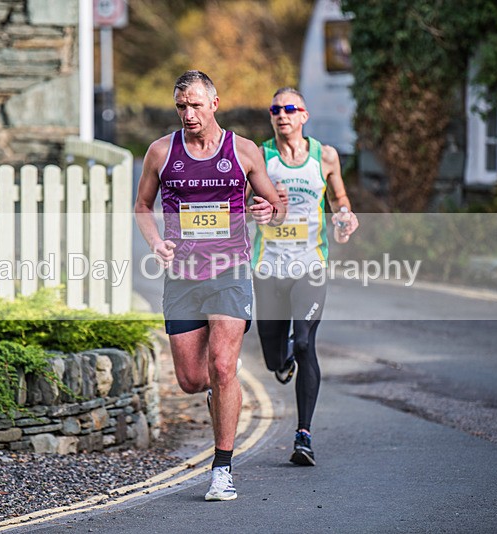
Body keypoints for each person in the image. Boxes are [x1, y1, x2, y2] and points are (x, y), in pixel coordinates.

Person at [134, 70, 285, 501]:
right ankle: (222, 388)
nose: (189, 113)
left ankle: (222, 469)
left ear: (214, 104)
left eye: (196, 105)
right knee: (192, 380)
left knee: (221, 365)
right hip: (181, 276)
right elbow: (142, 206)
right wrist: (156, 242)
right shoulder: (161, 152)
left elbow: (274, 206)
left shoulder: (244, 151)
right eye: (181, 106)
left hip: (229, 271)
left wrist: (264, 211)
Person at [250, 87, 359, 466]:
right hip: (268, 268)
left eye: (290, 108)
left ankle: (304, 435)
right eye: (275, 109)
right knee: (273, 357)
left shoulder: (325, 156)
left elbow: (338, 199)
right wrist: (259, 208)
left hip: (309, 265)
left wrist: (345, 217)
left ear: (304, 115)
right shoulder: (259, 156)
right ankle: (281, 362)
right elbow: (247, 206)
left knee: (305, 344)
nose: (282, 114)